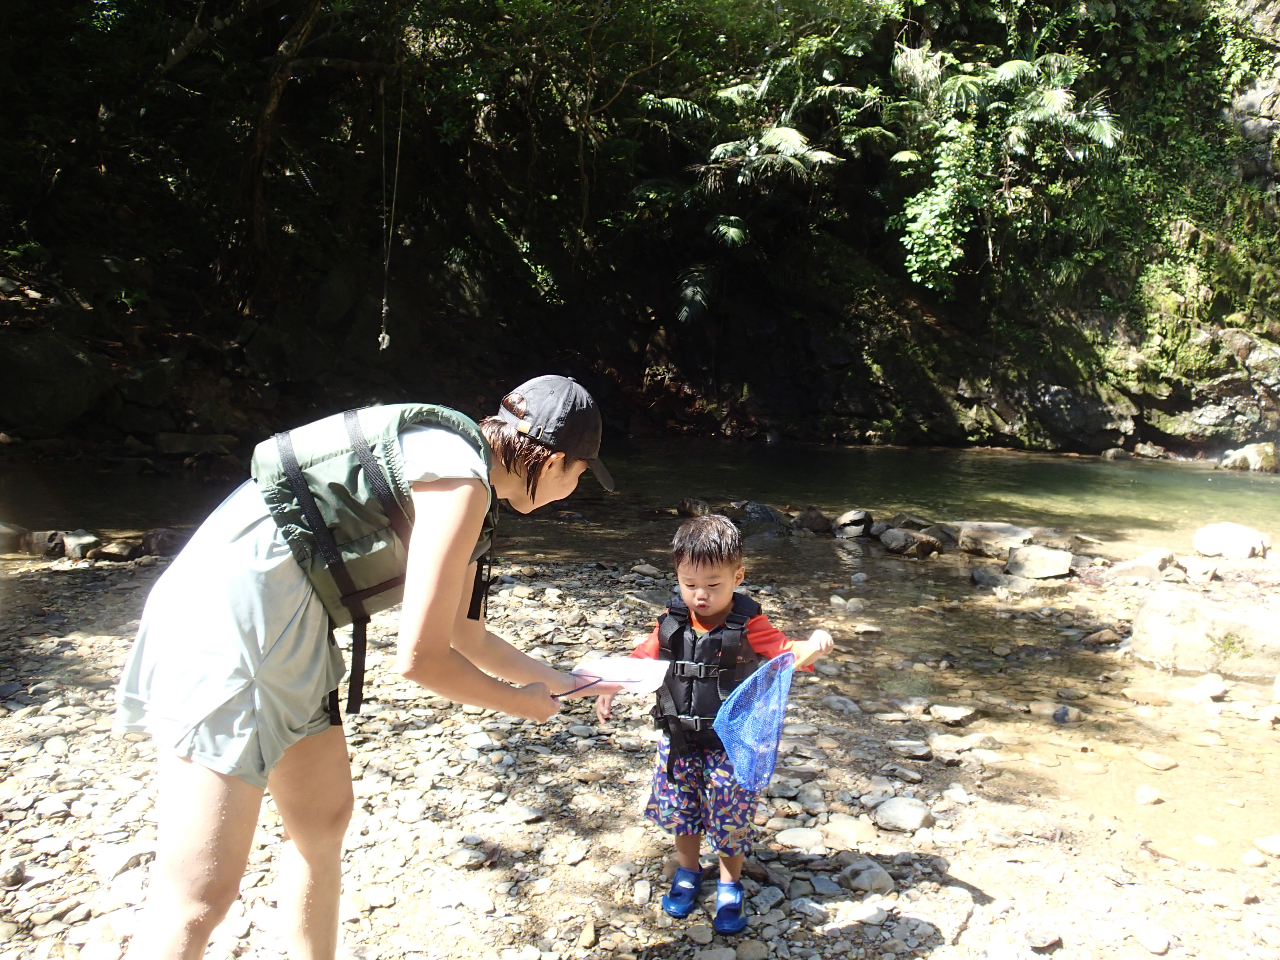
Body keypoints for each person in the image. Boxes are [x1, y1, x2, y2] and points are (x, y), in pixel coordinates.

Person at [117, 375, 618, 960]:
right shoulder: (462, 485)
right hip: (235, 619)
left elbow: (467, 635)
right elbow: (420, 659)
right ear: (555, 460)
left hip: (291, 626)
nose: (576, 487)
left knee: (322, 823)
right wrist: (521, 704)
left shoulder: (462, 469)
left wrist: (566, 681)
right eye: (581, 474)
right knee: (200, 893)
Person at [595, 515, 833, 934]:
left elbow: (785, 654)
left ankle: (729, 883)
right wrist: (608, 687)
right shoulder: (670, 620)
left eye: (714, 584)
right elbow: (640, 660)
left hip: (730, 745)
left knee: (730, 817)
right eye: (690, 584)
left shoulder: (749, 625)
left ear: (737, 576)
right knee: (681, 812)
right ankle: (687, 872)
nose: (700, 595)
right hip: (679, 740)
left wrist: (813, 645)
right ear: (677, 576)